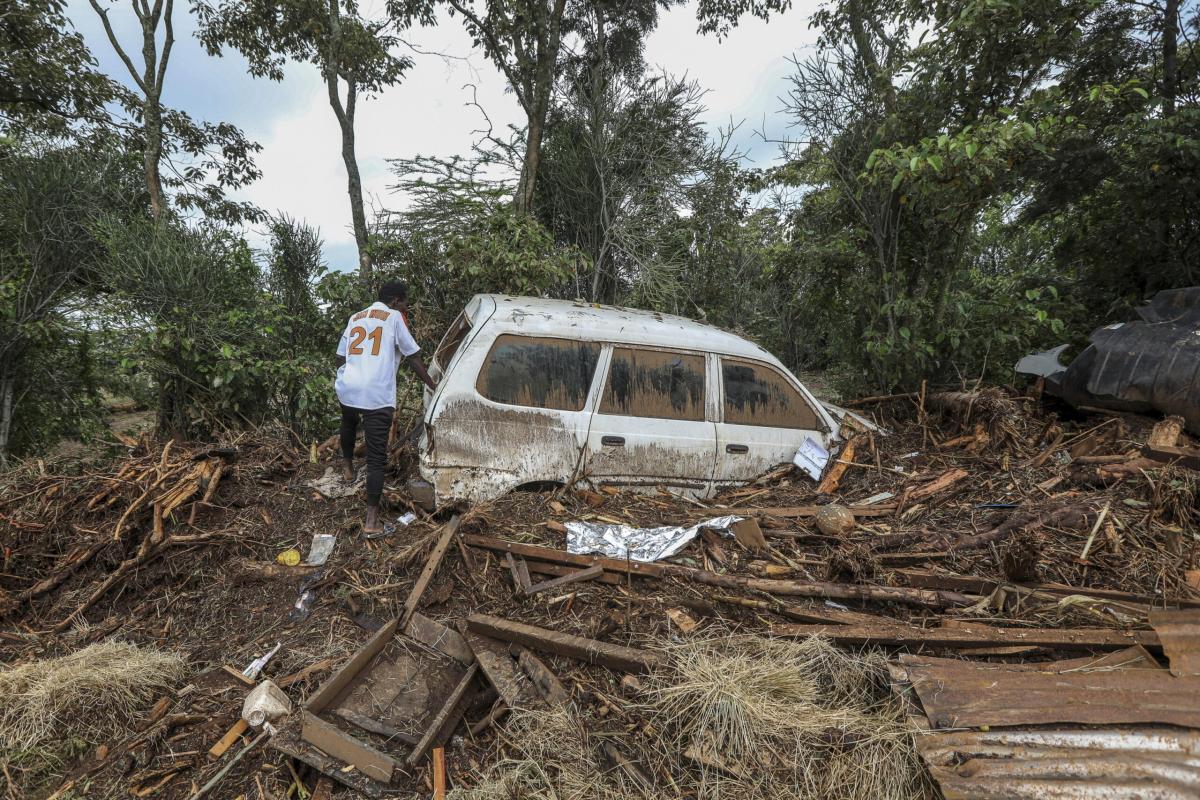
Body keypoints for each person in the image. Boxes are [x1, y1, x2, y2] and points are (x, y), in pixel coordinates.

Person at [335, 280, 435, 533]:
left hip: (349, 386)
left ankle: (346, 465)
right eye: (404, 302)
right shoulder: (393, 317)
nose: (405, 307)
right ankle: (371, 521)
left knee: (348, 420)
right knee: (377, 459)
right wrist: (432, 383)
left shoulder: (356, 317)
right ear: (395, 301)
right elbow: (412, 355)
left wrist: (351, 371)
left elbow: (340, 355)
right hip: (377, 394)